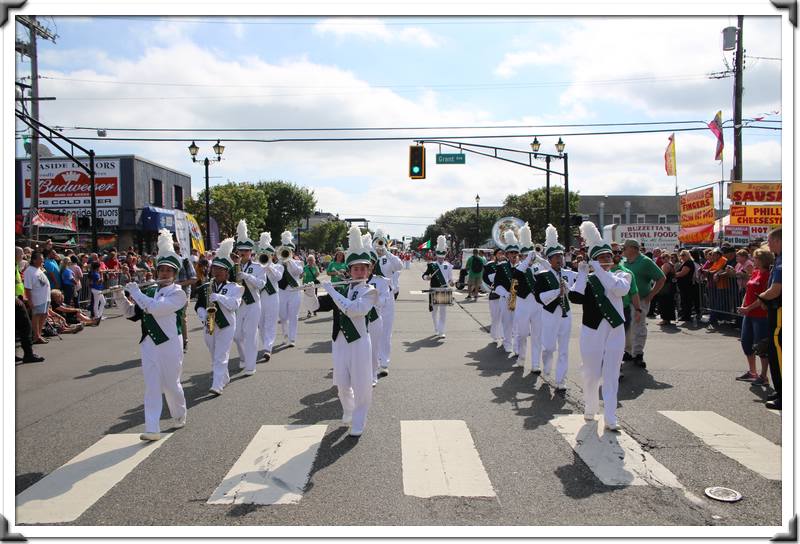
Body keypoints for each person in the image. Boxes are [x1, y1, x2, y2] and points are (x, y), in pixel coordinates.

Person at [117, 229, 188, 441]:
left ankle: (179, 414)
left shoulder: (178, 293)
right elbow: (133, 313)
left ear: (174, 274)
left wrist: (136, 293)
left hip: (169, 344)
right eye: (161, 270)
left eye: (168, 271)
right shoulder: (149, 291)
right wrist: (121, 297)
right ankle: (152, 428)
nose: (164, 274)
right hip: (149, 344)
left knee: (171, 384)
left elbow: (155, 309)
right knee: (152, 386)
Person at [569, 222, 631, 431]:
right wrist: (583, 273)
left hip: (615, 330)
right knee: (591, 371)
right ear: (595, 259)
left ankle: (611, 416)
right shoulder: (588, 279)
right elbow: (575, 297)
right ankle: (590, 406)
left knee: (612, 372)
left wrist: (597, 269)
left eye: (608, 257)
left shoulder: (622, 275)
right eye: (601, 257)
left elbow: (619, 290)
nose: (606, 260)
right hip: (592, 330)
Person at [320, 226, 378, 437]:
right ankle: (348, 409)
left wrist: (333, 291)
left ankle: (360, 419)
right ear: (349, 271)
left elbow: (354, 310)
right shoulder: (344, 289)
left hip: (359, 342)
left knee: (361, 384)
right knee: (342, 383)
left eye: (364, 269)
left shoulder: (370, 291)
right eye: (356, 269)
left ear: (369, 271)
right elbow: (316, 306)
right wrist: (310, 292)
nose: (360, 272)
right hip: (340, 342)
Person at [195, 238, 244, 396]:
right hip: (209, 323)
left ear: (227, 272)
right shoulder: (205, 287)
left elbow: (235, 305)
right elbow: (199, 305)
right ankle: (224, 377)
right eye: (215, 268)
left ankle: (217, 385)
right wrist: (203, 315)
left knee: (221, 354)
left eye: (220, 269)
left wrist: (219, 298)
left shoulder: (235, 287)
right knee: (213, 352)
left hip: (227, 324)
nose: (216, 271)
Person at [533, 225, 577, 392]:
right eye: (556, 256)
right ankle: (546, 369)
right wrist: (556, 292)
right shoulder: (542, 276)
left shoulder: (568, 273)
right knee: (549, 347)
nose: (560, 259)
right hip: (550, 315)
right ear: (550, 259)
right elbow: (539, 297)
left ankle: (561, 379)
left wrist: (584, 271)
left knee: (564, 350)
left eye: (561, 256)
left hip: (566, 314)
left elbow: (580, 284)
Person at [622, 239, 665, 368]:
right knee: (627, 327)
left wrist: (651, 295)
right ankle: (628, 351)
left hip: (640, 300)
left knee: (638, 326)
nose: (623, 250)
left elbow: (661, 278)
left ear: (633, 248)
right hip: (626, 301)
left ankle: (638, 354)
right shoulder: (624, 262)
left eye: (625, 247)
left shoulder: (645, 261)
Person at [512, 223, 548, 375]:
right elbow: (516, 276)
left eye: (529, 255)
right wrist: (527, 261)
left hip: (537, 304)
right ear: (521, 256)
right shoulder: (519, 266)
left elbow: (549, 267)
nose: (529, 258)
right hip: (523, 303)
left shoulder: (539, 265)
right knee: (522, 333)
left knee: (537, 335)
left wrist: (538, 258)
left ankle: (535, 364)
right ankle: (521, 357)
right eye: (525, 255)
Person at [735, 247, 773, 385]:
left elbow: (763, 297)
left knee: (761, 345)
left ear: (762, 260)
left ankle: (763, 376)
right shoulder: (756, 272)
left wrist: (748, 308)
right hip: (749, 314)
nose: (753, 260)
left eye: (755, 258)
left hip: (760, 315)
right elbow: (749, 290)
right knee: (746, 343)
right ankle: (752, 372)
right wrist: (744, 305)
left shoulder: (767, 275)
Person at [232, 220, 266, 376]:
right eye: (241, 251)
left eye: (246, 251)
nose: (243, 253)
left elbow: (261, 284)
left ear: (251, 252)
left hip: (253, 303)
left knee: (251, 334)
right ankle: (244, 358)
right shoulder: (233, 266)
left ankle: (251, 366)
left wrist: (246, 276)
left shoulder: (258, 267)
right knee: (237, 335)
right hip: (239, 305)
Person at [756, 229, 782, 410]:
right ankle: (781, 391)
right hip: (777, 311)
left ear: (779, 241)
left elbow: (776, 289)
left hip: (781, 312)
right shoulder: (779, 259)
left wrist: (761, 298)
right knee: (774, 353)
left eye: (770, 241)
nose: (768, 244)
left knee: (780, 355)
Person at [372, 230, 403, 370]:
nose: (379, 245)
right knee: (371, 330)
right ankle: (373, 361)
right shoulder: (369, 257)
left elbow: (399, 266)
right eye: (377, 242)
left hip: (388, 297)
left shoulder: (389, 258)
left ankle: (384, 362)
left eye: (382, 242)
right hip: (371, 296)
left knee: (386, 331)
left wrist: (386, 251)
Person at [364, 235, 392, 385]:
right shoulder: (355, 281)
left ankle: (373, 375)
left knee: (374, 349)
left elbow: (384, 300)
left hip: (374, 319)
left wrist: (374, 299)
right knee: (360, 350)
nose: (366, 268)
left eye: (369, 265)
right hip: (358, 319)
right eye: (363, 265)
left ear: (373, 266)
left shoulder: (380, 281)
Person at [611, 249, 640, 374]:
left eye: (619, 252)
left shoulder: (627, 273)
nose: (617, 254)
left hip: (624, 309)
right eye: (613, 252)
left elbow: (634, 293)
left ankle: (617, 367)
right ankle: (610, 366)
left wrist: (638, 309)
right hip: (607, 311)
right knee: (609, 339)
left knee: (619, 339)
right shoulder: (601, 273)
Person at [493, 230, 520, 354]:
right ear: (507, 254)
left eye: (516, 252)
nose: (514, 255)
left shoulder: (523, 267)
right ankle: (507, 343)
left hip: (520, 299)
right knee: (508, 323)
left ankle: (517, 347)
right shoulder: (501, 267)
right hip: (506, 298)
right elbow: (496, 285)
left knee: (518, 324)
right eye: (511, 253)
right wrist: (506, 294)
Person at [422, 235, 454, 339]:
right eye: (439, 255)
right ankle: (436, 328)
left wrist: (452, 282)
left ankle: (441, 331)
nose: (441, 257)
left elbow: (450, 278)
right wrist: (427, 277)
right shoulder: (431, 265)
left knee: (443, 312)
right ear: (436, 255)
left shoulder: (448, 265)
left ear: (445, 255)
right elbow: (424, 275)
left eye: (443, 255)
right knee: (434, 311)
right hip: (434, 289)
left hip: (444, 289)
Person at [257, 232, 283, 362]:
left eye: (268, 255)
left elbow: (278, 277)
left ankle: (268, 348)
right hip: (260, 296)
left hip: (272, 297)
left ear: (272, 256)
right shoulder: (257, 266)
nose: (266, 256)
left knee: (270, 323)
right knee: (261, 323)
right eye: (264, 254)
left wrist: (269, 266)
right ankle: (265, 345)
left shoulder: (277, 266)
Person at [276, 231, 304, 347]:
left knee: (293, 316)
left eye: (288, 252)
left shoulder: (298, 262)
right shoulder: (278, 262)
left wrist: (289, 261)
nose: (286, 254)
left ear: (292, 252)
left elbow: (298, 271)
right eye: (285, 252)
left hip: (294, 291)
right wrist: (282, 262)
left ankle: (292, 339)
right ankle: (285, 335)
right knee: (282, 316)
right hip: (282, 291)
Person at [16, 248, 44, 362]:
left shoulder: (15, 266)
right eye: (21, 254)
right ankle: (28, 354)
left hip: (19, 299)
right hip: (16, 301)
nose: (23, 256)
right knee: (26, 326)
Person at [173, 241, 198, 352]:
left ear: (178, 251)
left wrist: (179, 284)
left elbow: (193, 279)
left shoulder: (185, 261)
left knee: (182, 316)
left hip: (183, 292)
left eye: (175, 250)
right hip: (169, 292)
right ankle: (173, 341)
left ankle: (184, 341)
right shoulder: (165, 261)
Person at [23, 252, 51, 344]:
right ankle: (36, 336)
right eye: (40, 258)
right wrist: (30, 301)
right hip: (37, 299)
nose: (42, 260)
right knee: (37, 316)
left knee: (44, 315)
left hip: (45, 298)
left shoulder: (39, 269)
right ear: (34, 260)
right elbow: (27, 287)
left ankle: (39, 334)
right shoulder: (29, 271)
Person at [484, 248, 505, 346]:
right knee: (495, 317)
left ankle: (503, 335)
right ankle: (494, 335)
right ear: (495, 255)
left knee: (505, 317)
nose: (501, 255)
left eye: (502, 253)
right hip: (494, 294)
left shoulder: (508, 265)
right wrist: (490, 287)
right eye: (499, 253)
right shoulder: (490, 265)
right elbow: (484, 278)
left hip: (505, 295)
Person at [675, 250, 697, 324]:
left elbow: (683, 273)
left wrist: (674, 275)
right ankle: (685, 315)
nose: (682, 256)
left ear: (688, 255)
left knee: (686, 301)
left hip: (686, 285)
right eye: (681, 255)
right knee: (684, 300)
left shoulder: (688, 263)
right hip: (683, 285)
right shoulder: (684, 263)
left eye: (684, 255)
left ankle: (686, 316)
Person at [656, 253, 676, 326]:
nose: (663, 259)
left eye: (664, 257)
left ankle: (665, 319)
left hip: (666, 286)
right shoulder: (671, 265)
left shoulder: (666, 265)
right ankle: (668, 319)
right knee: (669, 302)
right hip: (670, 286)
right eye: (662, 257)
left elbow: (663, 275)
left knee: (664, 302)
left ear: (668, 258)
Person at [301, 254, 321, 318]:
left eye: (312, 260)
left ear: (314, 260)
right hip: (306, 284)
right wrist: (302, 275)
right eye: (309, 260)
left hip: (313, 284)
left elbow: (317, 275)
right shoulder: (305, 267)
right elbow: (300, 276)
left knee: (314, 297)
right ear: (307, 260)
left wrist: (317, 272)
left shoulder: (315, 267)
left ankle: (314, 310)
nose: (310, 261)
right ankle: (309, 311)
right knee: (307, 298)